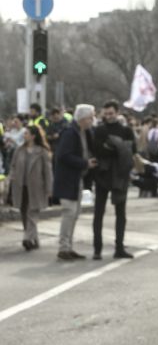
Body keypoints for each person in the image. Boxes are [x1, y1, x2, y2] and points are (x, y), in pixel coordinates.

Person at [90, 100, 137, 259]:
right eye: (106, 113)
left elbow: (132, 150)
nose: (109, 116)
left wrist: (112, 147)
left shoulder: (126, 131)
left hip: (120, 175)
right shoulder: (100, 130)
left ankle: (119, 248)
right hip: (103, 174)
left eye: (111, 113)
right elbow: (97, 149)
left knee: (121, 214)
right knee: (98, 213)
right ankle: (97, 249)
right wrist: (118, 149)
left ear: (117, 113)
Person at [53, 104, 98, 261]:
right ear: (83, 118)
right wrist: (84, 163)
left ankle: (68, 246)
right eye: (91, 117)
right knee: (69, 213)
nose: (92, 120)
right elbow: (64, 156)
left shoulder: (83, 133)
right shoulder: (70, 133)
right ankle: (63, 247)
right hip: (67, 179)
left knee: (74, 214)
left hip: (76, 178)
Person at [9, 124, 53, 251]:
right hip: (21, 186)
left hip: (36, 187)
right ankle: (35, 239)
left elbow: (48, 171)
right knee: (24, 213)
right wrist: (12, 177)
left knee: (32, 214)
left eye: (26, 133)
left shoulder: (42, 151)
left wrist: (49, 188)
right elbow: (13, 166)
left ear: (33, 136)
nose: (24, 135)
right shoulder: (19, 150)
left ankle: (27, 238)